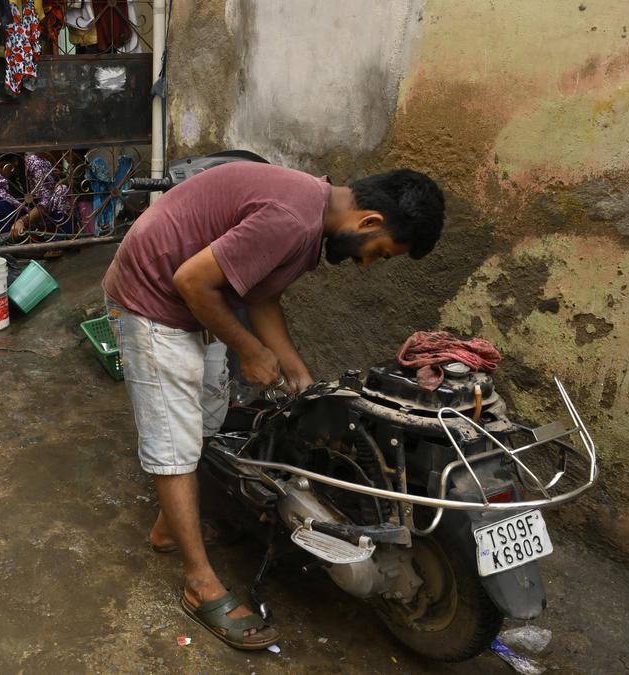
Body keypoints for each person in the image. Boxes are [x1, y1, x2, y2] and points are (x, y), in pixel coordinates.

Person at [101, 163, 444, 650]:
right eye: (379, 253)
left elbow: (260, 294)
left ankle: (168, 529)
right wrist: (248, 350)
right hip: (153, 295)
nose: (367, 264)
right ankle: (199, 585)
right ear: (368, 222)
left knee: (208, 412)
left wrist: (297, 373)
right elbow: (192, 280)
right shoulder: (293, 219)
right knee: (172, 436)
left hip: (192, 296)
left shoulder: (309, 222)